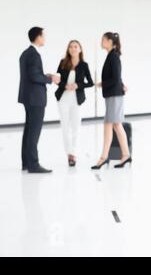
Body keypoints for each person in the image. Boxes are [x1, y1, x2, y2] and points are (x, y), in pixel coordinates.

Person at [18, 27, 60, 173]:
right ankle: (33, 165)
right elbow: (34, 77)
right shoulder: (34, 55)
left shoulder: (25, 54)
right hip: (35, 98)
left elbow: (33, 74)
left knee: (29, 130)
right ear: (37, 37)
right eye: (43, 36)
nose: (45, 38)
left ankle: (26, 163)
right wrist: (50, 79)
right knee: (34, 132)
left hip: (28, 97)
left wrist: (45, 75)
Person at [91, 32, 131, 169]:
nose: (101, 42)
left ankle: (105, 157)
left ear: (109, 41)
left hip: (114, 95)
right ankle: (123, 155)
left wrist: (103, 83)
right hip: (113, 95)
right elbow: (117, 78)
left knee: (113, 125)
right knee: (114, 125)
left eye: (103, 39)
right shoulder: (112, 56)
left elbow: (115, 78)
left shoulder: (113, 56)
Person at [55, 40, 94, 167]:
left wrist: (78, 85)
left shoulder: (84, 65)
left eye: (75, 46)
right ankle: (69, 154)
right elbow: (57, 79)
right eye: (70, 47)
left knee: (76, 127)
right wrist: (64, 85)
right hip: (63, 100)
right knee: (65, 127)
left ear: (80, 49)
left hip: (77, 100)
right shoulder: (63, 62)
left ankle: (74, 152)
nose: (73, 49)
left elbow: (90, 83)